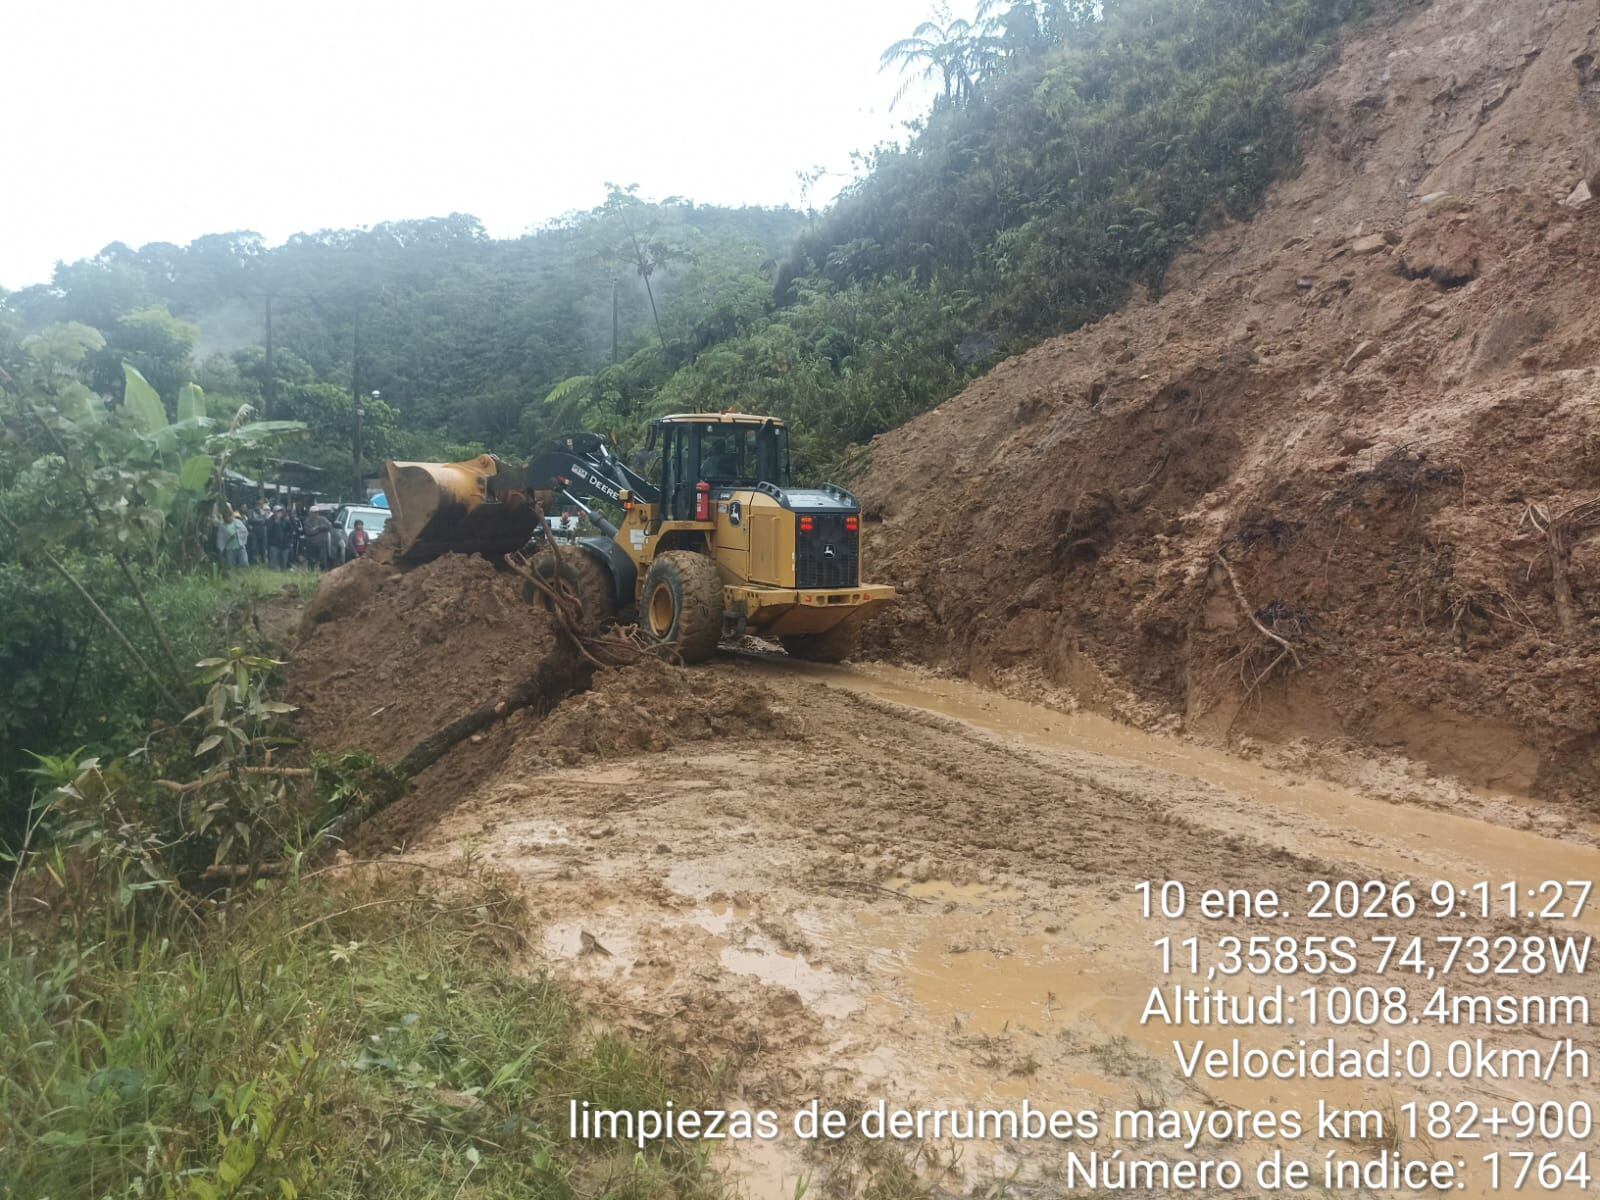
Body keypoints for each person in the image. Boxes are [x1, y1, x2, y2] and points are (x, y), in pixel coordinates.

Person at [246, 499, 270, 566]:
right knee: (253, 548)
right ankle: (252, 562)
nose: (259, 506)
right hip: (254, 532)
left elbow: (266, 520)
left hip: (262, 532)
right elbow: (250, 520)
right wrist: (261, 521)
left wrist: (261, 519)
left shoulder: (263, 511)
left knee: (263, 548)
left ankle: (263, 561)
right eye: (258, 504)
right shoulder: (250, 511)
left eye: (261, 505)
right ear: (255, 505)